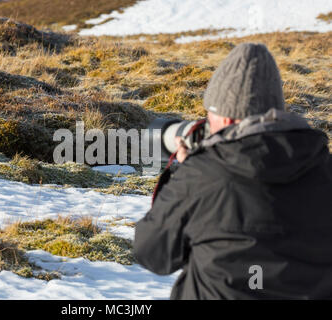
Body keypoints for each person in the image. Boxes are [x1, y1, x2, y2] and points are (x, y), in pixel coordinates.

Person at [134, 43, 332, 299]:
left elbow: (152, 253)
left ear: (227, 118)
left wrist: (182, 173)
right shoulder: (324, 168)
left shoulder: (202, 176)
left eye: (209, 116)